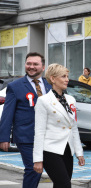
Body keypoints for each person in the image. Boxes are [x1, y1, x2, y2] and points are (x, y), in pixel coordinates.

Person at [0, 52, 52, 188]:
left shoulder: (50, 85)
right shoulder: (15, 86)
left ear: (43, 66)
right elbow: (7, 113)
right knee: (33, 169)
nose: (31, 67)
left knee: (56, 171)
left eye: (35, 64)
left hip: (49, 136)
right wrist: (4, 137)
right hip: (26, 136)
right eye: (29, 63)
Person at [33, 63, 85, 187]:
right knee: (64, 185)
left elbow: (73, 127)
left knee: (62, 185)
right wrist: (38, 159)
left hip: (67, 149)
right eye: (63, 76)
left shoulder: (70, 99)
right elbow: (39, 131)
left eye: (67, 76)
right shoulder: (43, 101)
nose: (67, 79)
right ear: (53, 79)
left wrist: (79, 152)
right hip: (50, 150)